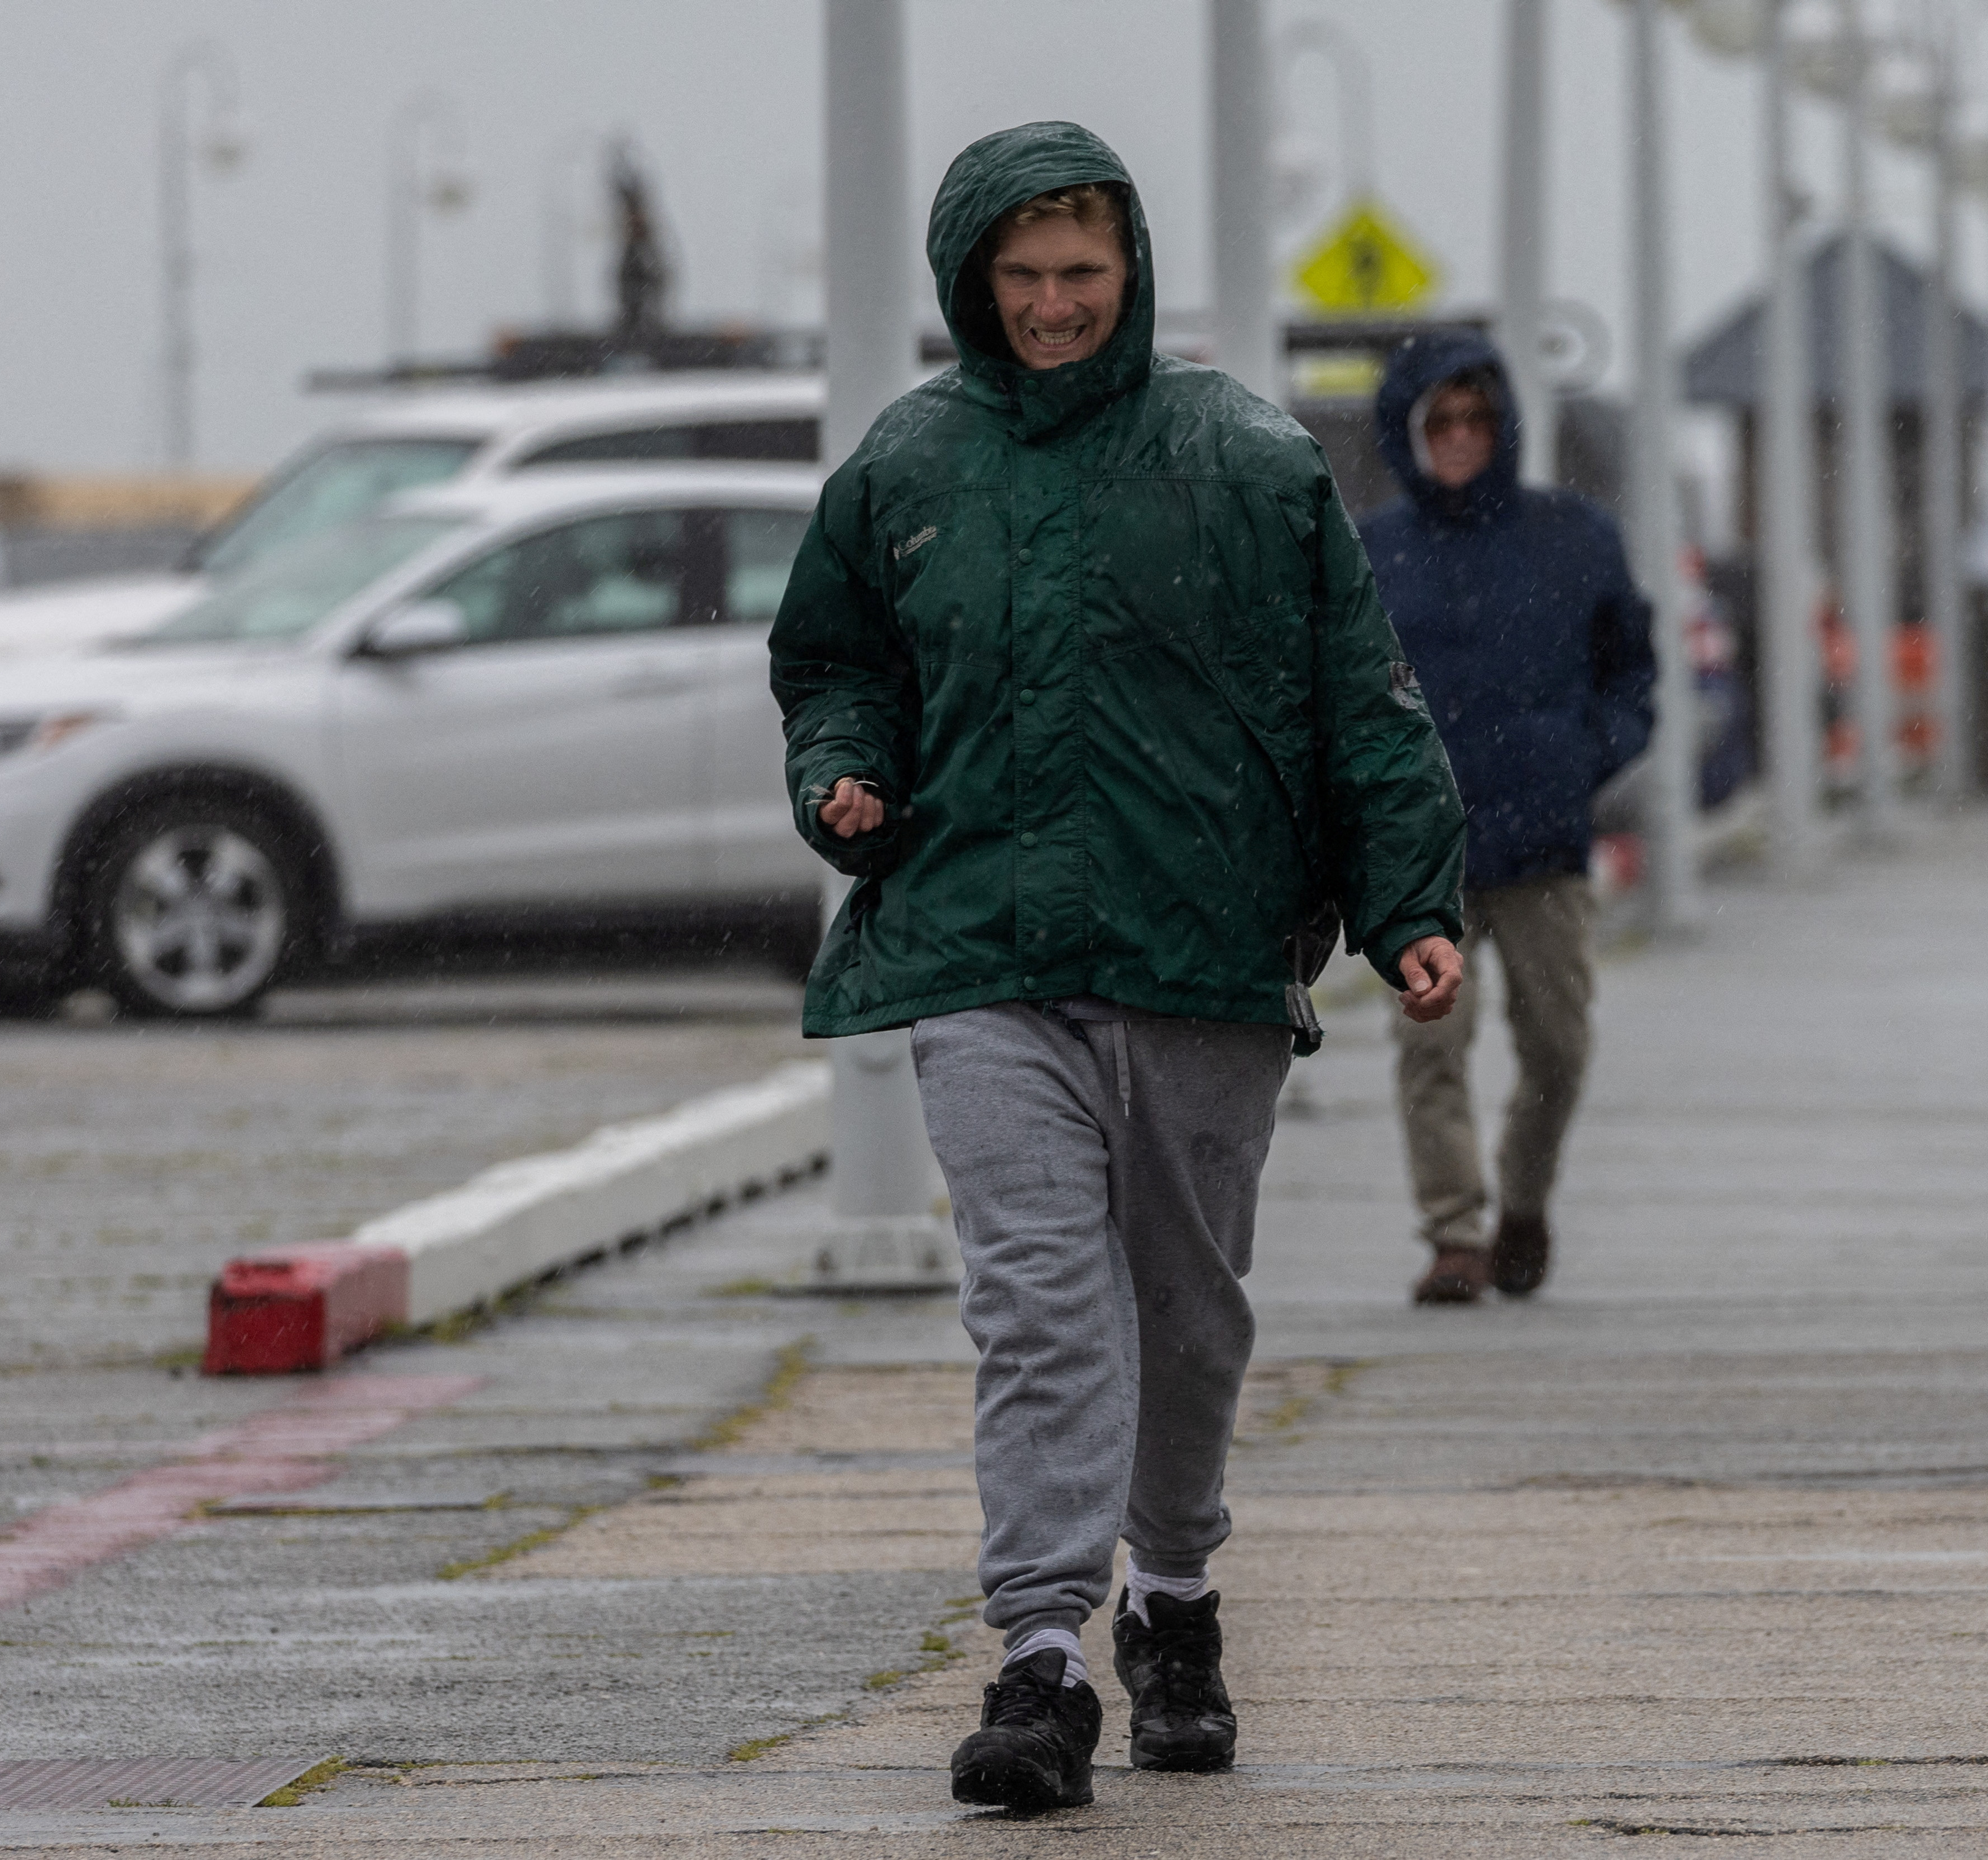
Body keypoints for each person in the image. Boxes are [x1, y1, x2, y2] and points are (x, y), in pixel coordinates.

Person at [769, 123, 1468, 1814]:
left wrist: (1409, 903)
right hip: (982, 948)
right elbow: (835, 660)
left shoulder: (1241, 457)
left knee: (1186, 1310)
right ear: (972, 284)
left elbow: (1354, 699)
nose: (1055, 307)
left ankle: (1173, 1601)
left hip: (1202, 951)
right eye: (1022, 280)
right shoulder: (909, 467)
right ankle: (1040, 1658)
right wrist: (842, 776)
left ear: (1132, 271)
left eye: (1082, 275)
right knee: (1038, 1302)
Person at [1358, 332, 1656, 1307]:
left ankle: (1523, 1199)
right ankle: (1453, 1232)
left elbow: (1632, 669)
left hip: (1542, 838)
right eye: (1437, 420)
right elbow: (1337, 688)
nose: (1458, 436)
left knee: (1558, 1046)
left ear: (1505, 424)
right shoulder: (1373, 551)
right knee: (1431, 1044)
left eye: (1475, 416)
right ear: (1408, 432)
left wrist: (1586, 757)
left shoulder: (1575, 536)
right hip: (1422, 851)